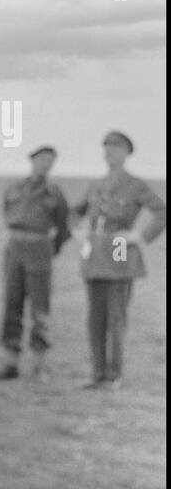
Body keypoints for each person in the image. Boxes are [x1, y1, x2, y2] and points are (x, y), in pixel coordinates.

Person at [72, 130, 166, 390]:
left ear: (127, 152)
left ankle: (114, 376)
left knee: (116, 318)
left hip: (120, 250)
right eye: (106, 147)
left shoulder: (135, 184)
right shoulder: (96, 184)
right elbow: (75, 212)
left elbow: (162, 212)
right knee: (95, 319)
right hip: (94, 253)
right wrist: (77, 232)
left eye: (115, 147)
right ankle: (97, 373)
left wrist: (140, 235)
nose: (109, 152)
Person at [0, 146, 71, 382]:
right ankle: (9, 362)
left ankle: (39, 365)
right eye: (42, 160)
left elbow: (63, 228)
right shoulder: (14, 188)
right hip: (15, 247)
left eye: (50, 161)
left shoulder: (55, 193)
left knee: (40, 309)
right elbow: (7, 212)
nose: (45, 165)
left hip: (40, 249)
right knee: (12, 303)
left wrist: (47, 250)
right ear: (33, 160)